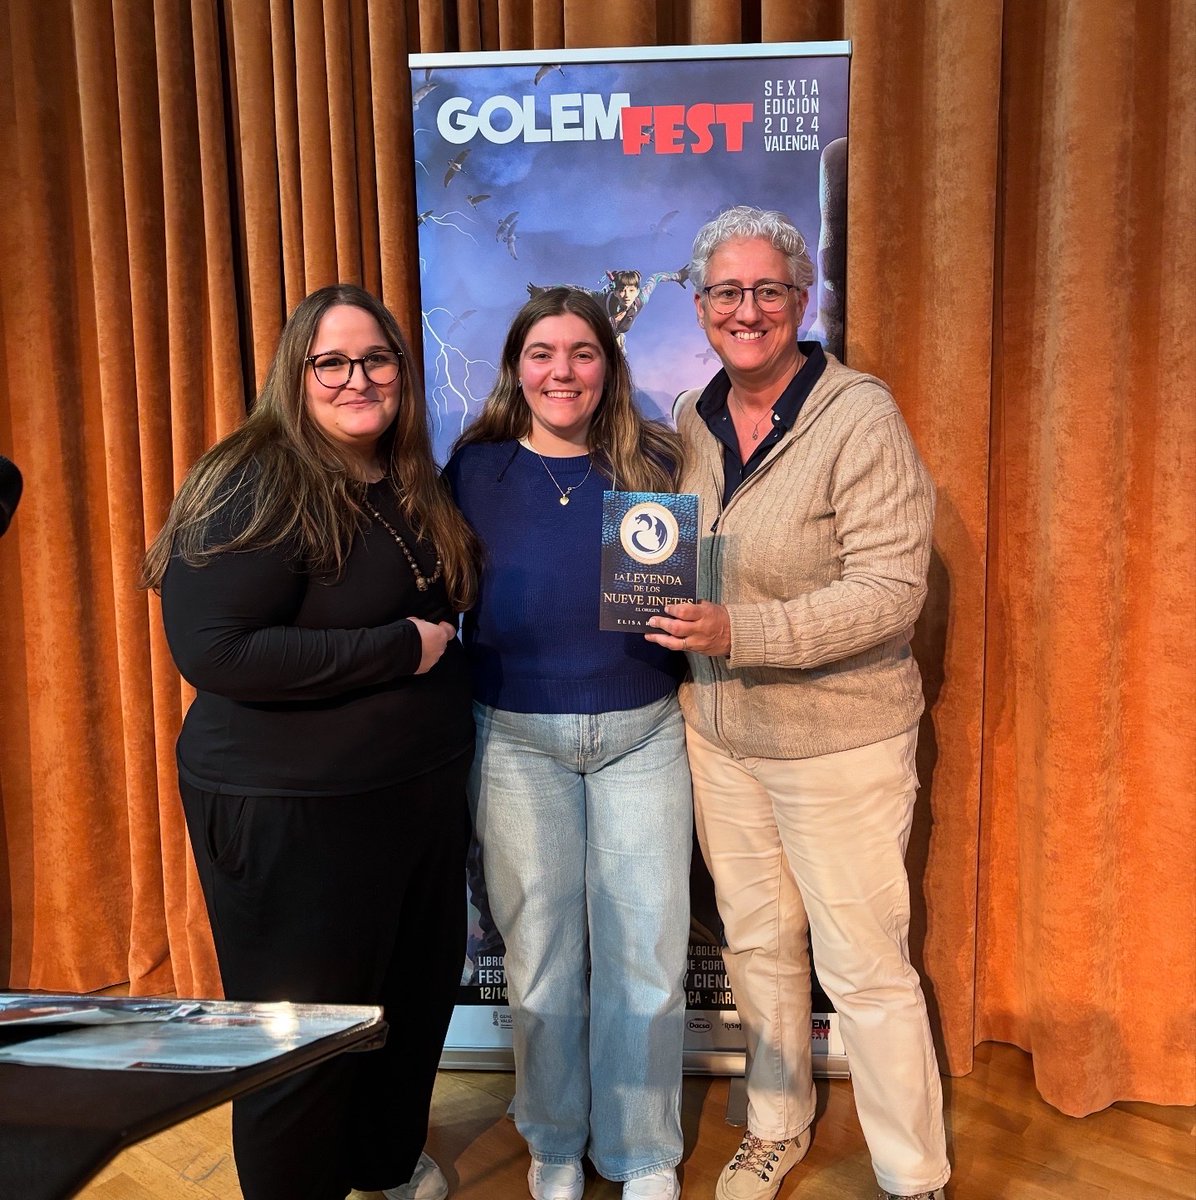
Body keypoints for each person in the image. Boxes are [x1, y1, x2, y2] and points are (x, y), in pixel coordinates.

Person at [142, 284, 479, 1200]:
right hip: (293, 815)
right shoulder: (253, 477)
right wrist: (398, 648)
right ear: (295, 374)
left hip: (412, 804)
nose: (356, 379)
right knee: (306, 1042)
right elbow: (213, 650)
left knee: (407, 1013)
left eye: (375, 360)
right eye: (331, 362)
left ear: (402, 375)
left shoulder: (403, 477)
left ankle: (378, 1165)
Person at [645, 207, 950, 1200]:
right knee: (756, 947)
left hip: (837, 745)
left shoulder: (857, 414)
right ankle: (774, 1124)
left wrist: (744, 633)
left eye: (766, 291)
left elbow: (888, 593)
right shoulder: (690, 416)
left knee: (862, 969)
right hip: (721, 740)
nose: (747, 310)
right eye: (726, 294)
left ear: (801, 299)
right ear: (699, 308)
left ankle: (913, 1175)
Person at [443, 287, 691, 1200]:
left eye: (582, 353)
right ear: (517, 366)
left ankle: (642, 1152)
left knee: (648, 957)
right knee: (542, 958)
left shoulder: (654, 462)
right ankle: (554, 1140)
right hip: (513, 739)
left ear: (608, 366)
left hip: (642, 733)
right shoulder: (473, 471)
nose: (562, 371)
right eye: (543, 353)